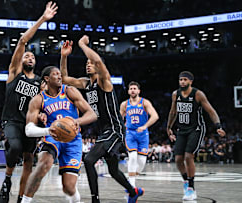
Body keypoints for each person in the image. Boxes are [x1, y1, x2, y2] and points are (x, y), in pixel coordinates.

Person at [60, 37, 144, 203]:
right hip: (103, 130)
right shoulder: (86, 83)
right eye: (87, 63)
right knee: (113, 170)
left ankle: (95, 199)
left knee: (89, 160)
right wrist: (64, 56)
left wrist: (82, 45)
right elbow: (64, 79)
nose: (88, 64)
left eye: (91, 62)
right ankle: (133, 191)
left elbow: (98, 61)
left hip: (114, 129)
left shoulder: (104, 81)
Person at [0, 2, 58, 203]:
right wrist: (43, 19)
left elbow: (44, 105)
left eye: (32, 56)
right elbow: (23, 40)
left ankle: (20, 199)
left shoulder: (40, 84)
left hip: (30, 124)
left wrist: (43, 115)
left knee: (28, 162)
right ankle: (7, 180)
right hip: (12, 121)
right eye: (27, 55)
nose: (29, 57)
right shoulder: (14, 72)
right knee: (14, 148)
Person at [21, 66, 97, 203]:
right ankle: (25, 201)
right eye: (55, 74)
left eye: (60, 74)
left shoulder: (70, 91)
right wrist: (47, 130)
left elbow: (92, 114)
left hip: (73, 140)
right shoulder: (38, 100)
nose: (60, 76)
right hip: (52, 137)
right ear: (46, 78)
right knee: (44, 164)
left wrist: (76, 122)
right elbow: (29, 129)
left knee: (68, 187)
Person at [167, 71, 226, 201]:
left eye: (184, 80)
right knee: (177, 159)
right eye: (180, 79)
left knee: (188, 156)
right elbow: (173, 112)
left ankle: (191, 189)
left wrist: (218, 126)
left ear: (190, 82)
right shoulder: (175, 94)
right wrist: (169, 127)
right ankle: (186, 182)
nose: (182, 82)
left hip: (196, 129)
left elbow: (211, 111)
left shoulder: (198, 94)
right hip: (181, 130)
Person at [120, 81, 159, 187]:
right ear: (128, 91)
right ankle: (131, 185)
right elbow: (119, 118)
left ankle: (131, 177)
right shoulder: (124, 104)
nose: (132, 90)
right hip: (130, 133)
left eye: (134, 88)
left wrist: (145, 126)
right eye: (131, 88)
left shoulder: (144, 102)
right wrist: (121, 127)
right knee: (132, 156)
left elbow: (155, 116)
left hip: (143, 134)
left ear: (138, 91)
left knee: (142, 162)